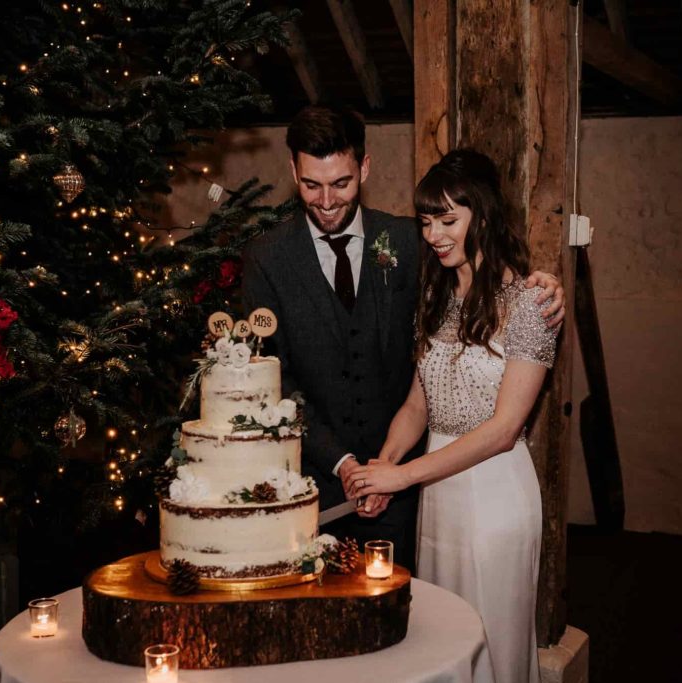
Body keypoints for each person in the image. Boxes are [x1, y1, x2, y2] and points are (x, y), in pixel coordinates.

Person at [242, 105, 564, 571]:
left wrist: (545, 281)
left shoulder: (412, 240)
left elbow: (485, 265)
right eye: (311, 185)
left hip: (412, 491)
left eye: (341, 183)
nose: (327, 200)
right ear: (293, 170)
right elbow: (273, 378)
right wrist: (346, 464)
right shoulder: (266, 257)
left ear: (365, 168)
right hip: (317, 481)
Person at [345, 148, 559, 683]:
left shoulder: (529, 303)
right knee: (445, 637)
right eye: (426, 221)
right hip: (439, 490)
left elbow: (506, 429)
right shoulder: (438, 296)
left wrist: (404, 474)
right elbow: (420, 404)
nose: (434, 234)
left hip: (495, 494)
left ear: (482, 216)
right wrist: (384, 467)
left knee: (494, 636)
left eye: (448, 220)